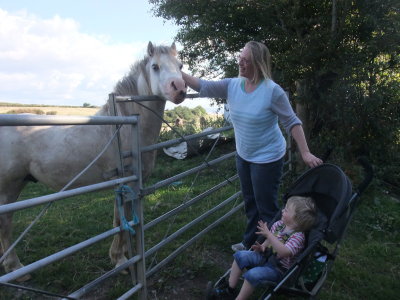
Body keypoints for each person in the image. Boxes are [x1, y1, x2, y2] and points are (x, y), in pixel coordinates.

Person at [182, 41, 322, 251]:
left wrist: (305, 152)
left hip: (267, 157)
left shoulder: (272, 91)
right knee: (250, 202)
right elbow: (203, 86)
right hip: (244, 155)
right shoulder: (233, 85)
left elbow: (292, 122)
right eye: (240, 58)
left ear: (258, 64)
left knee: (265, 206)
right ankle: (251, 243)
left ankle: (271, 249)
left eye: (246, 60)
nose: (241, 62)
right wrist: (176, 71)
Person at [209, 195, 317, 300]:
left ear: (297, 219)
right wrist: (262, 247)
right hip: (265, 257)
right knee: (240, 255)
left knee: (252, 274)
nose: (283, 210)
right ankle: (229, 289)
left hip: (278, 269)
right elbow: (269, 241)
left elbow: (284, 252)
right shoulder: (279, 224)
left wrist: (269, 235)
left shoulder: (298, 237)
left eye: (287, 210)